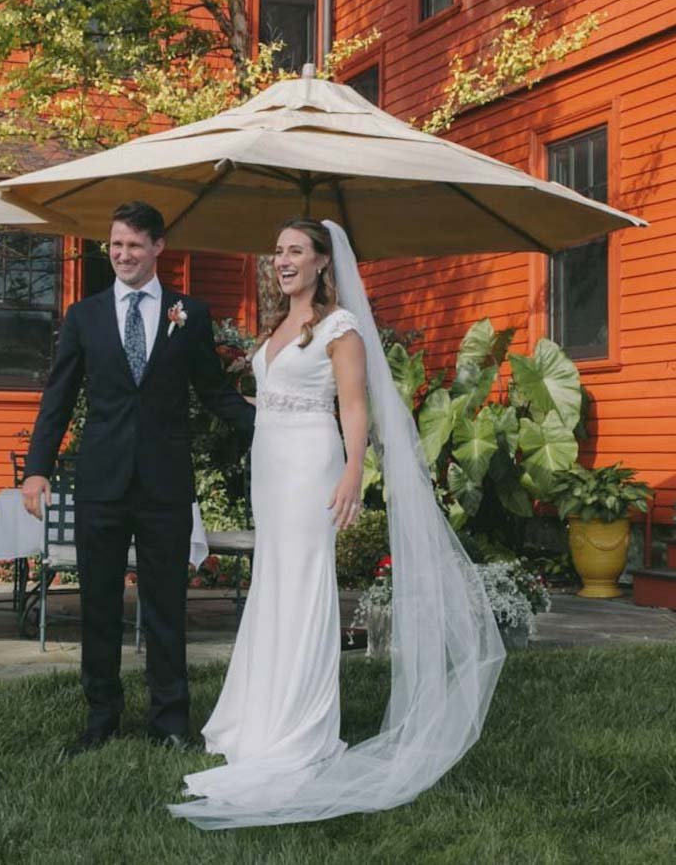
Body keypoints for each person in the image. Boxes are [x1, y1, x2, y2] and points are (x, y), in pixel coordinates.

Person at [170, 218, 505, 830]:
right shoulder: (280, 326)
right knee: (275, 583)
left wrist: (353, 471)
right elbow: (270, 400)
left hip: (310, 466)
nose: (283, 260)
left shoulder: (340, 327)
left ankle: (298, 728)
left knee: (302, 586)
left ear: (324, 261)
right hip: (270, 466)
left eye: (296, 251)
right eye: (277, 252)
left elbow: (353, 406)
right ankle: (259, 715)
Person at [22, 200, 255, 758]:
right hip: (100, 483)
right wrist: (36, 470)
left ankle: (170, 720)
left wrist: (276, 425)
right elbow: (58, 398)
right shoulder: (85, 316)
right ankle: (101, 717)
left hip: (165, 485)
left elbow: (214, 392)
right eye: (115, 244)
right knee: (98, 603)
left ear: (157, 248)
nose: (122, 254)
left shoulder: (189, 315)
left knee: (166, 604)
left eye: (132, 244)